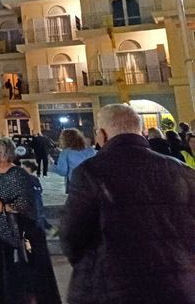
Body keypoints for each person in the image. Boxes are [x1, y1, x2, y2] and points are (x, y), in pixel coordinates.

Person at [61, 104, 195, 303]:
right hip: (176, 284)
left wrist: (93, 265)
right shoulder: (180, 170)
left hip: (113, 286)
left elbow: (72, 235)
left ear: (103, 134)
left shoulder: (90, 172)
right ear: (140, 131)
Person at [0, 137, 61, 304]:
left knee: (21, 284)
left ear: (4, 154)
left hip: (17, 240)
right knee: (2, 280)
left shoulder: (18, 175)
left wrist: (3, 207)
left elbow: (27, 205)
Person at [53, 128, 96, 193]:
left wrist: (51, 166)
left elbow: (62, 172)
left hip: (76, 183)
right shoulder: (91, 150)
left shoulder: (65, 153)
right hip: (92, 182)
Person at [20, 160, 52, 234]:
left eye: (23, 167)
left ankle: (41, 232)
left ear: (29, 168)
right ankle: (51, 230)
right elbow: (40, 190)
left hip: (33, 202)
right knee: (40, 217)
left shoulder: (28, 178)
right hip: (36, 201)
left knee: (38, 218)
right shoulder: (34, 178)